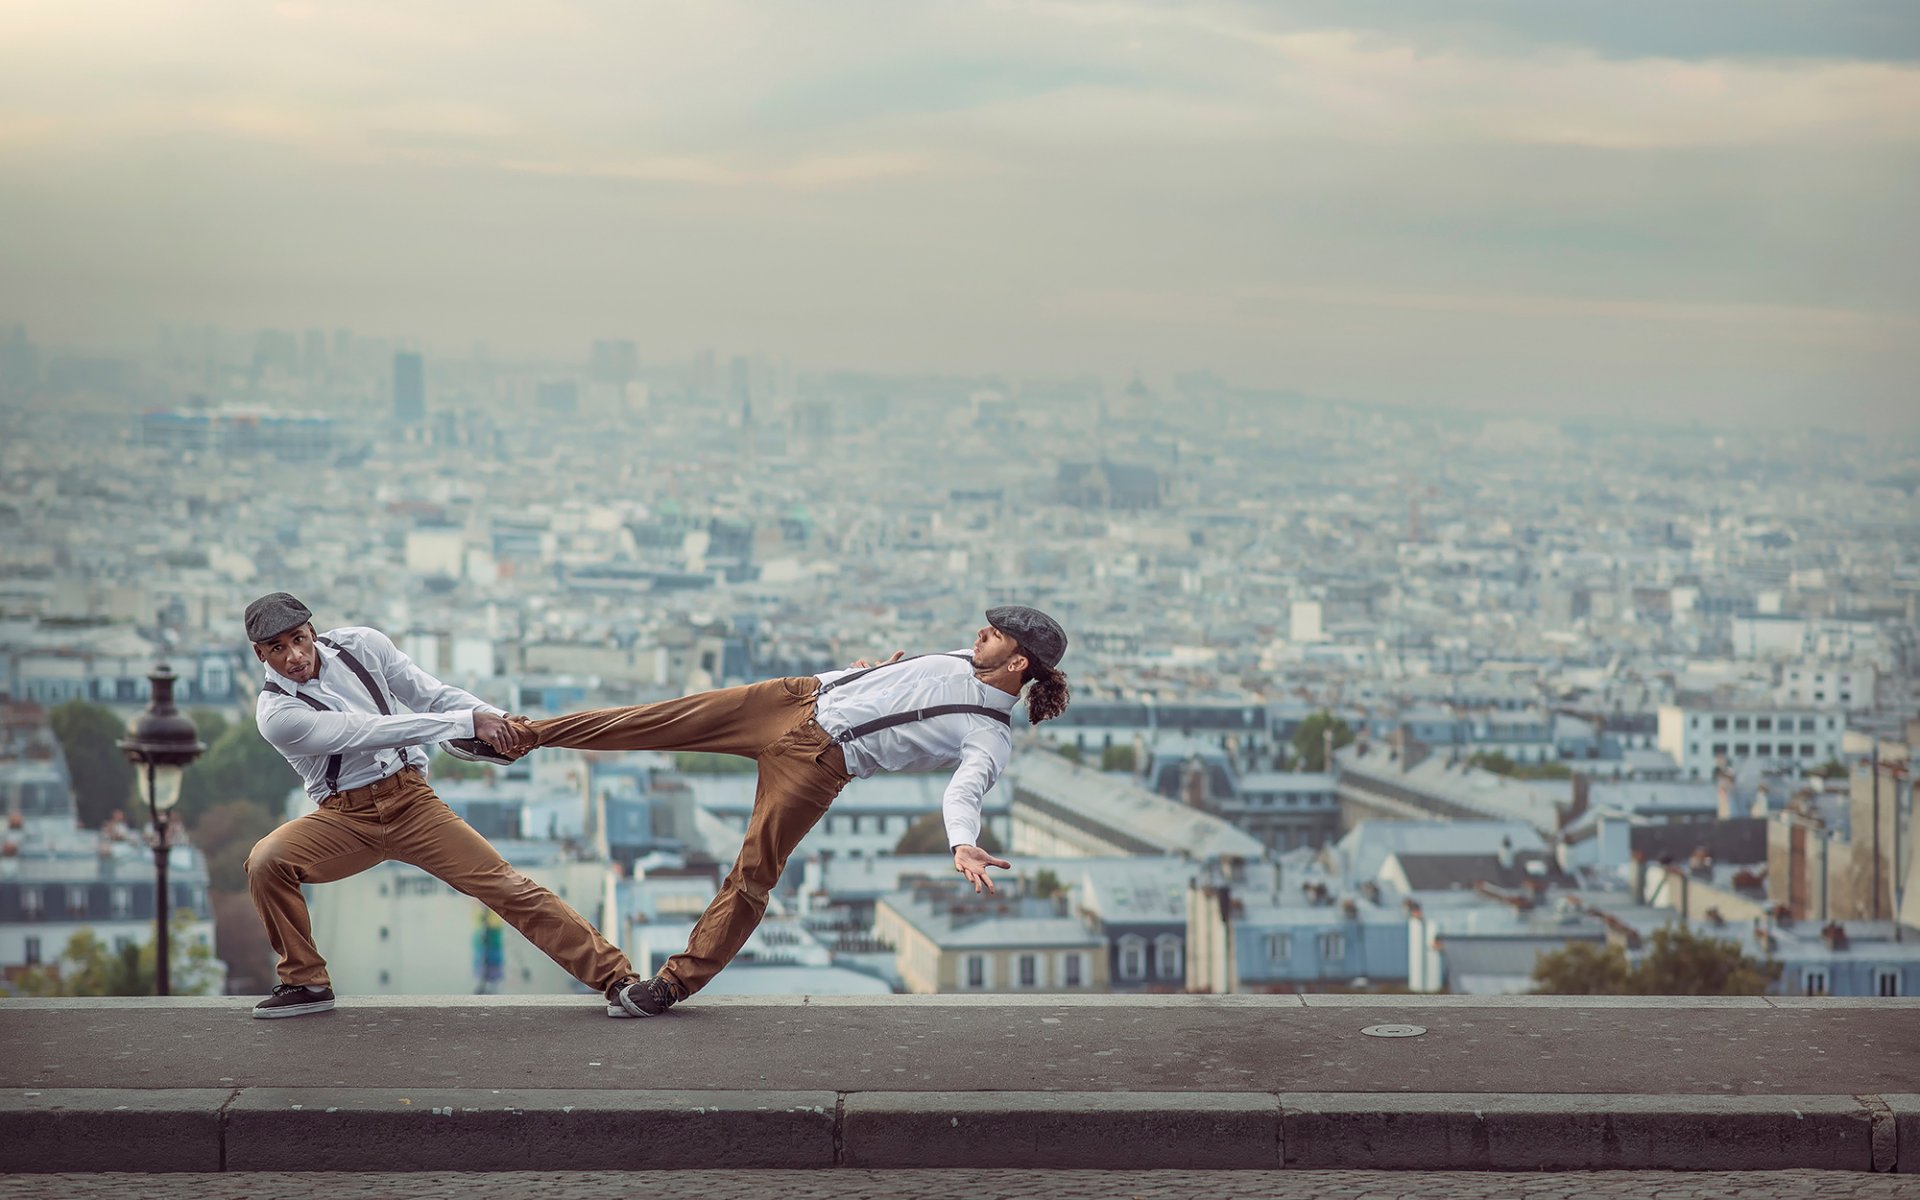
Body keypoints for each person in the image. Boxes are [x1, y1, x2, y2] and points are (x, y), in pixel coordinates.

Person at [488, 604, 1072, 1017]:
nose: (980, 634)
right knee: (657, 717)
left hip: (817, 762)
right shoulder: (958, 658)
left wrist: (960, 842)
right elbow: (899, 683)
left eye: (995, 634)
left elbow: (964, 791)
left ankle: (669, 987)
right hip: (796, 698)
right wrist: (864, 676)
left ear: (1019, 664)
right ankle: (520, 735)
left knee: (753, 875)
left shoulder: (989, 735)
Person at [239, 591, 652, 1019]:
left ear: (313, 631)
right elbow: (367, 731)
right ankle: (304, 981)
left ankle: (618, 979)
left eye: (298, 639)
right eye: (277, 649)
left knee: (508, 887)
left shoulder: (362, 646)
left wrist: (501, 720)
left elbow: (431, 696)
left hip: (412, 803)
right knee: (267, 861)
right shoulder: (276, 713)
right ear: (259, 654)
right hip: (345, 818)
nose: (294, 656)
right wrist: (468, 723)